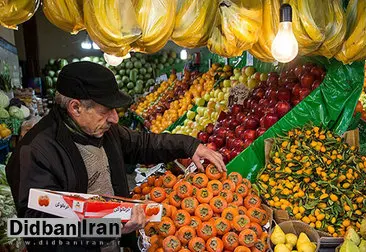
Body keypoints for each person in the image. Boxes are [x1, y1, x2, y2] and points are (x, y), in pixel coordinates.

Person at [6, 61, 226, 252]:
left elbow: (142, 143)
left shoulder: (104, 130)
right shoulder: (34, 151)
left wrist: (190, 146)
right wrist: (106, 228)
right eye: (106, 111)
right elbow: (36, 227)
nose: (114, 118)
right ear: (76, 107)